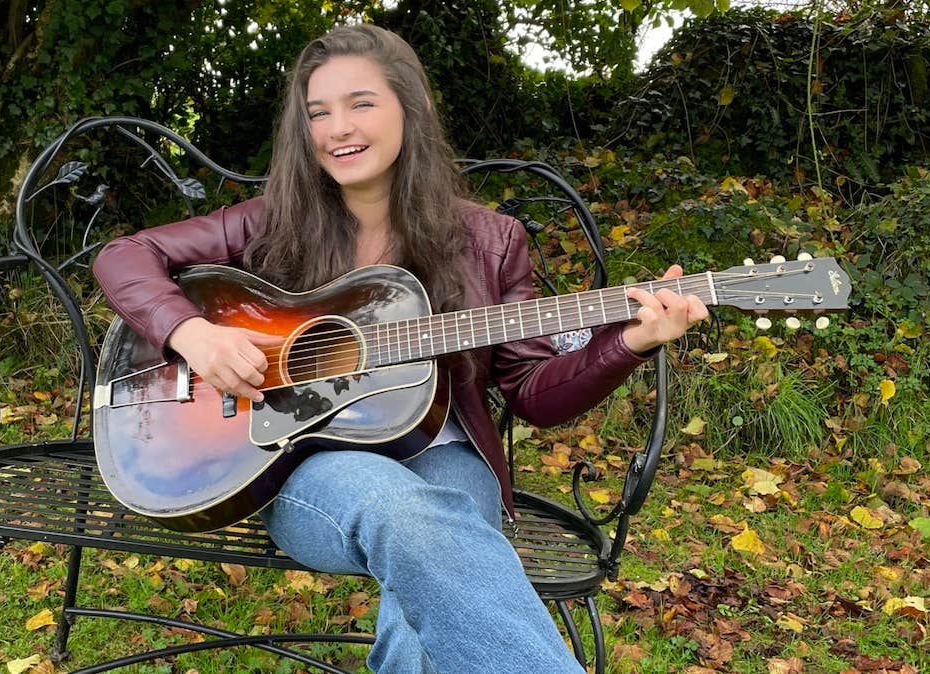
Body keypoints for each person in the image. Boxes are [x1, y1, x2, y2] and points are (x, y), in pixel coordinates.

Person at [94, 23, 708, 674]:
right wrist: (194, 333)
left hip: (447, 464)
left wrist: (633, 340)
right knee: (413, 521)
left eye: (360, 103)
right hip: (302, 466)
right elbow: (125, 256)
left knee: (439, 533)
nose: (337, 129)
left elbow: (532, 395)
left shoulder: (490, 240)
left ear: (409, 110)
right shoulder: (275, 221)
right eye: (317, 113)